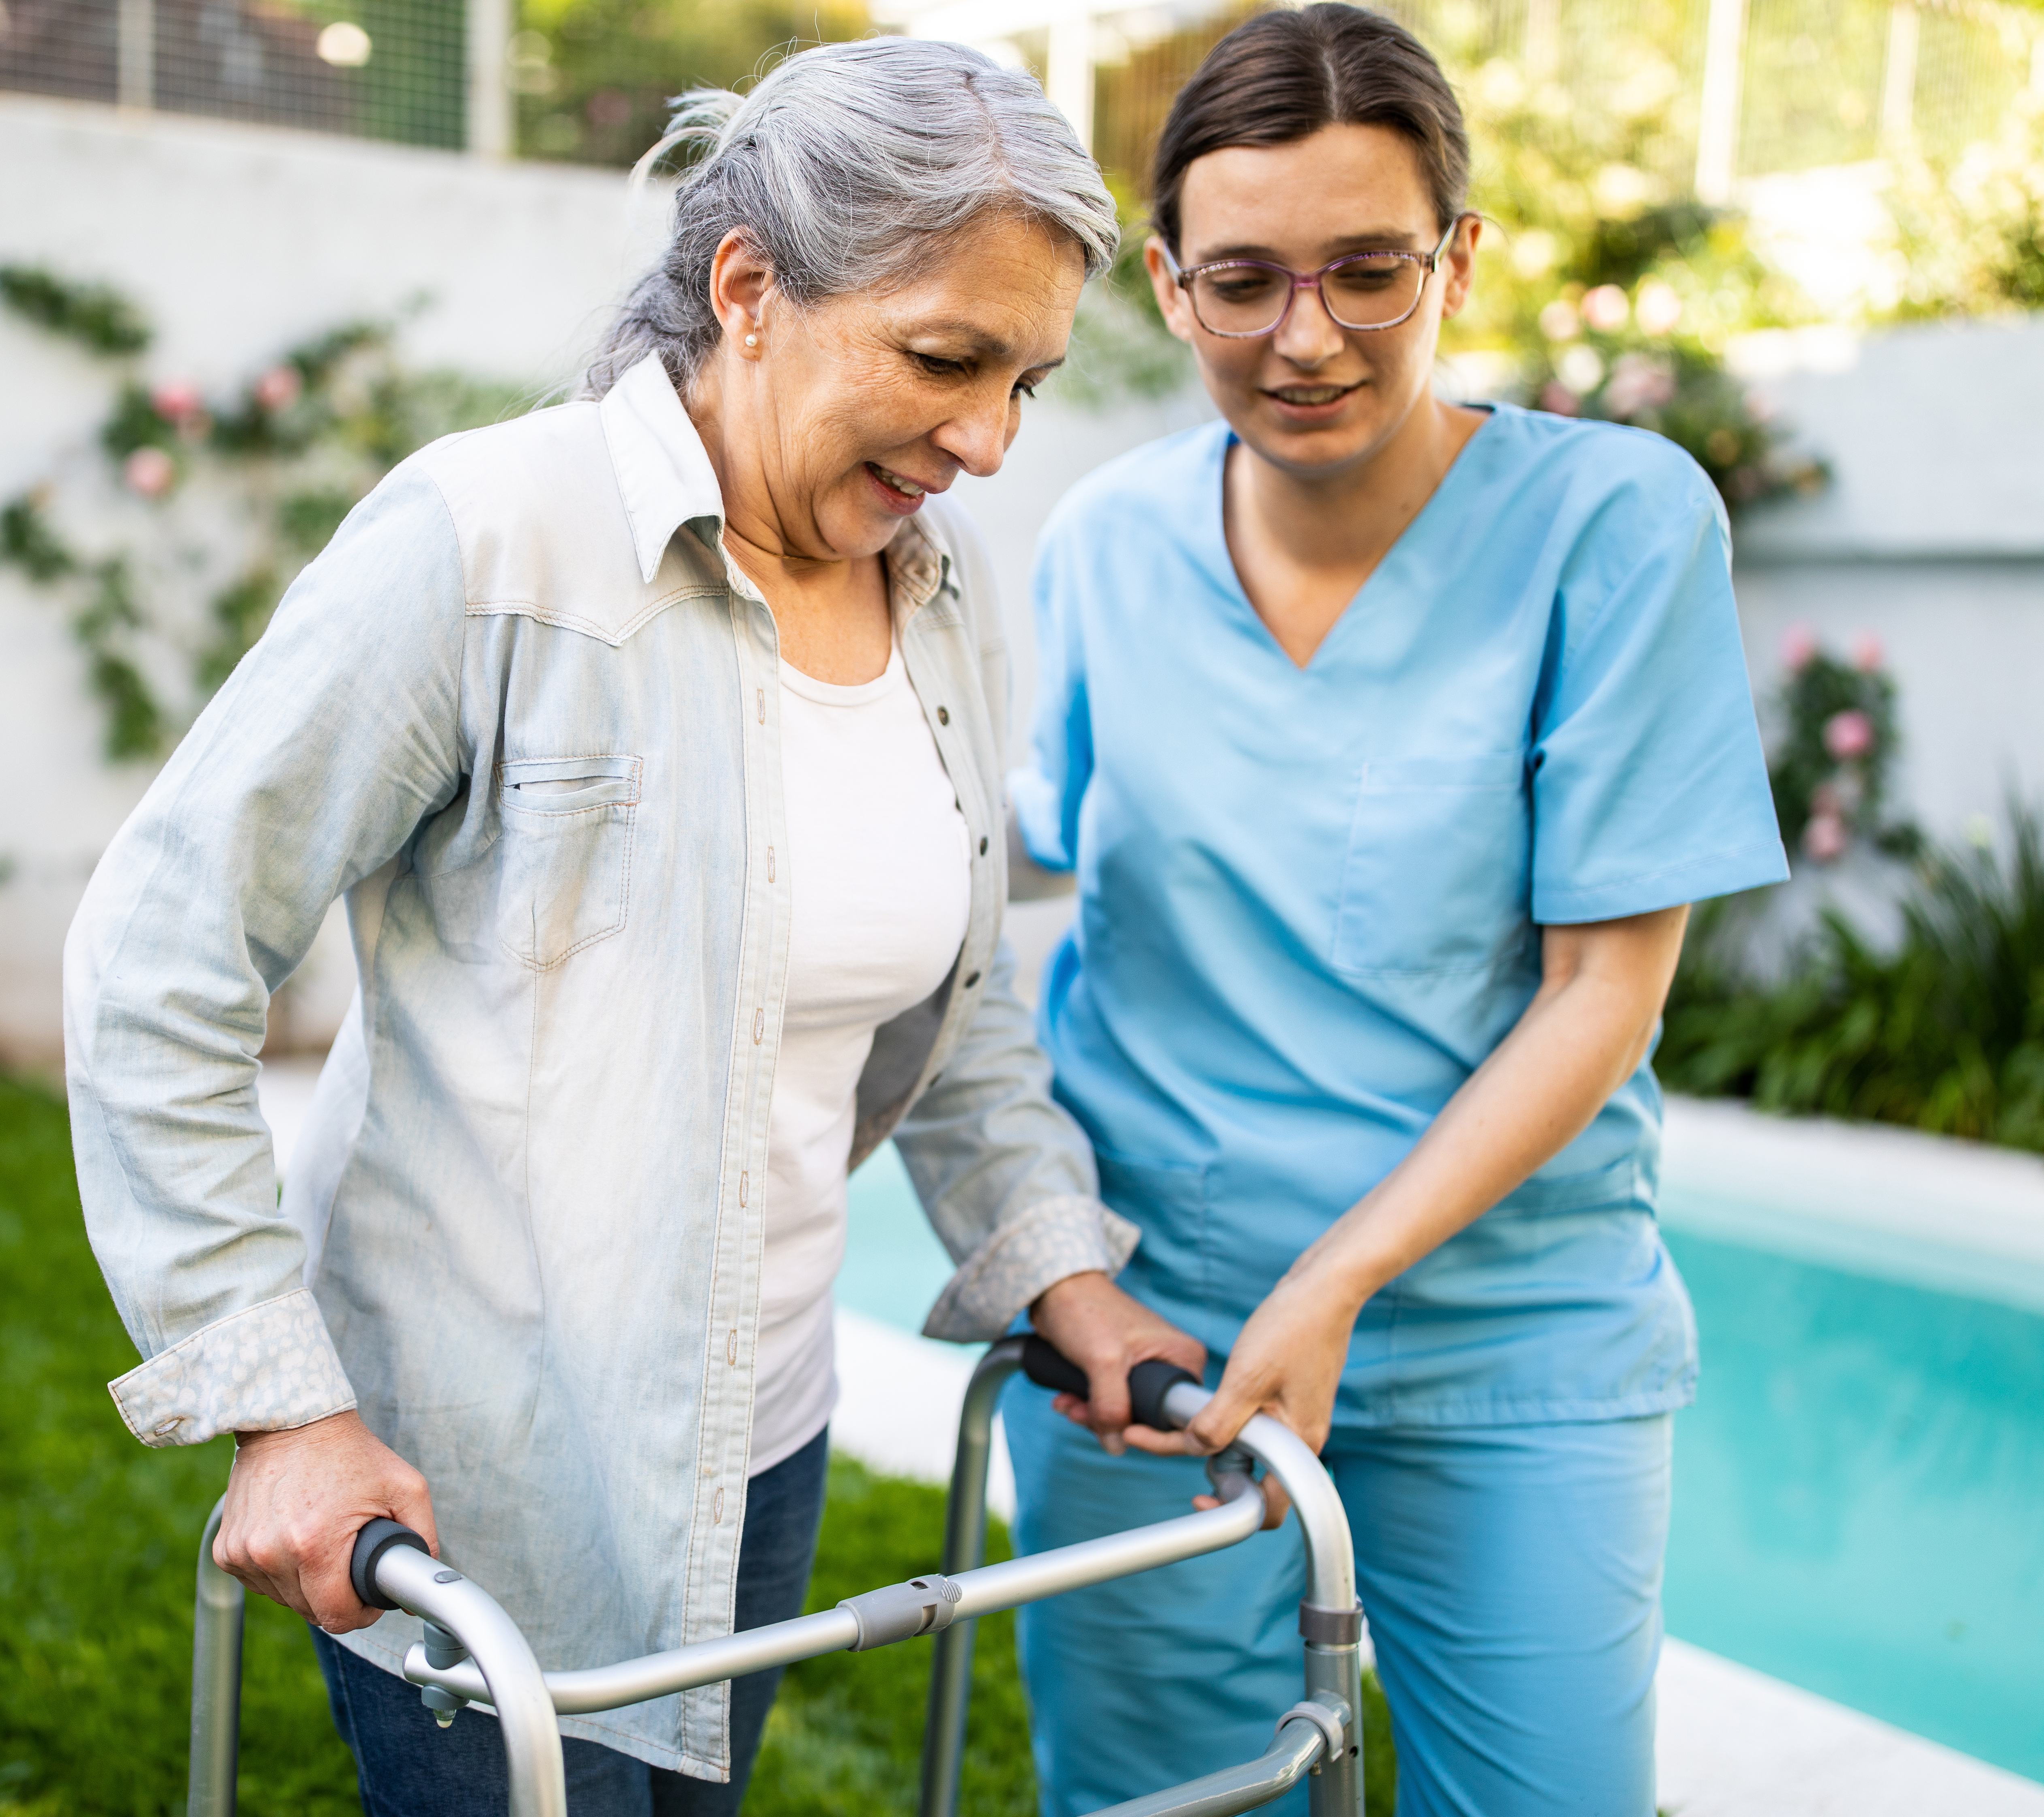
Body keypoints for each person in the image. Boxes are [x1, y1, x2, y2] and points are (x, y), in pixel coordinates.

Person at [64, 37, 1198, 1816]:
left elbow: (954, 989)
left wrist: (1063, 1270)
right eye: (943, 359)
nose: (986, 440)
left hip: (773, 1436)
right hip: (479, 1470)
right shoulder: (487, 535)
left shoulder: (945, 590)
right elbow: (161, 954)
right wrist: (284, 1408)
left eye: (1028, 383)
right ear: (748, 286)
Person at [1003, 9, 1789, 1815]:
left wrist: (1341, 1274)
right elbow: (1008, 911)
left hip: (1509, 1348)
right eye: (1246, 281)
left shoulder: (1618, 524)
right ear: (1167, 281)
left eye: (1370, 271)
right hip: (1159, 1357)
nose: (1308, 337)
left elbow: (1608, 988)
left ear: (1459, 257)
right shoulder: (1102, 548)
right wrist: (1067, 1272)